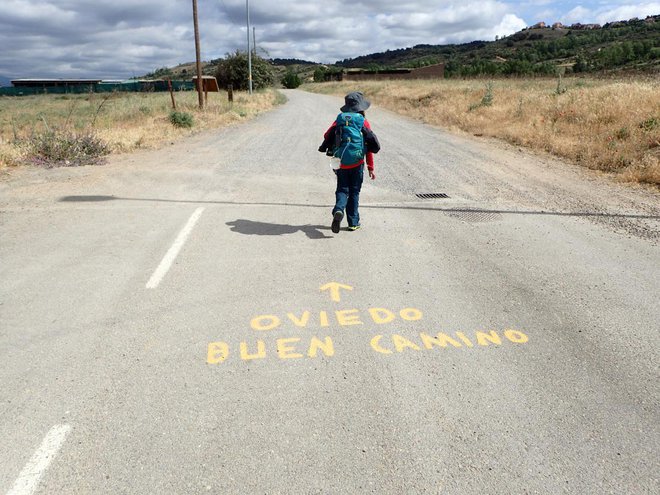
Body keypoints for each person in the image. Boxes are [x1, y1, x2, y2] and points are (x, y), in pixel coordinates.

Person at [319, 91, 378, 233]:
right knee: (354, 192)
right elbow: (369, 146)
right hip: (357, 163)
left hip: (341, 162)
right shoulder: (362, 121)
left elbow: (327, 135)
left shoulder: (339, 119)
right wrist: (370, 167)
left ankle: (339, 210)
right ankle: (353, 222)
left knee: (342, 189)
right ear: (361, 107)